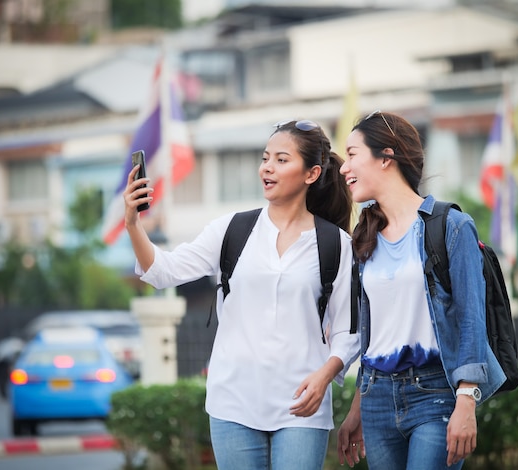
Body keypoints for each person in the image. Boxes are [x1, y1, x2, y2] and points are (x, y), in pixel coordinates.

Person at [123, 119, 360, 470]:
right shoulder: (231, 229)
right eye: (266, 158)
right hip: (232, 401)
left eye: (281, 159)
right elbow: (162, 272)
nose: (267, 167)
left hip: (301, 405)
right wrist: (132, 223)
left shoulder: (336, 245)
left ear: (311, 174)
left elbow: (348, 332)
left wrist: (326, 374)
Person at [336, 111, 506, 469]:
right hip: (376, 397)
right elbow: (377, 332)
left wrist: (466, 400)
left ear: (386, 157)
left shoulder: (451, 227)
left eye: (352, 155)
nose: (343, 167)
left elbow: (472, 319)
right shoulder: (364, 239)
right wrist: (357, 408)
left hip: (435, 394)